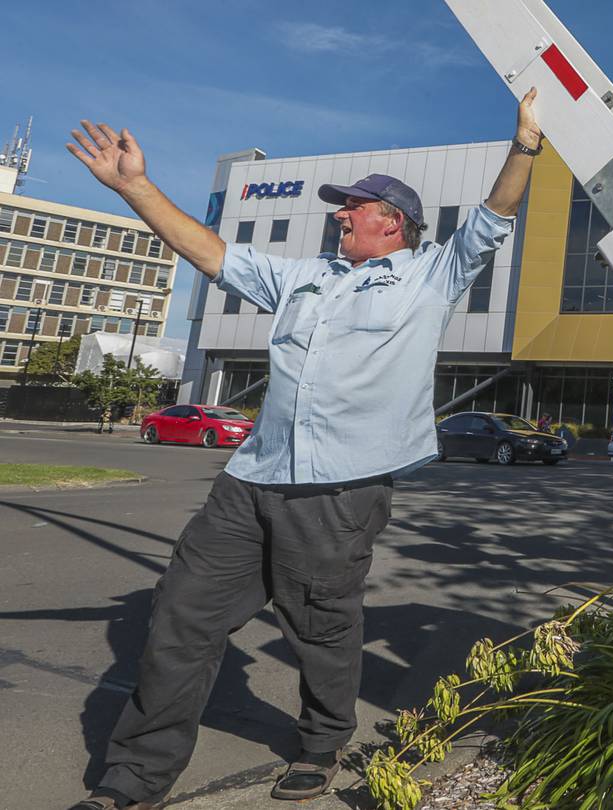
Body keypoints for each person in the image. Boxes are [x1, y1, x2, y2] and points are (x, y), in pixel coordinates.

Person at [64, 90, 544, 809]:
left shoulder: (428, 276)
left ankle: (322, 741)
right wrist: (134, 186)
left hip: (339, 490)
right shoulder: (305, 276)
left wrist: (525, 147)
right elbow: (209, 250)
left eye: (352, 205)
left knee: (321, 628)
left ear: (393, 222)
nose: (339, 213)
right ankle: (135, 777)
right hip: (249, 480)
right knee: (180, 618)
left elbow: (494, 219)